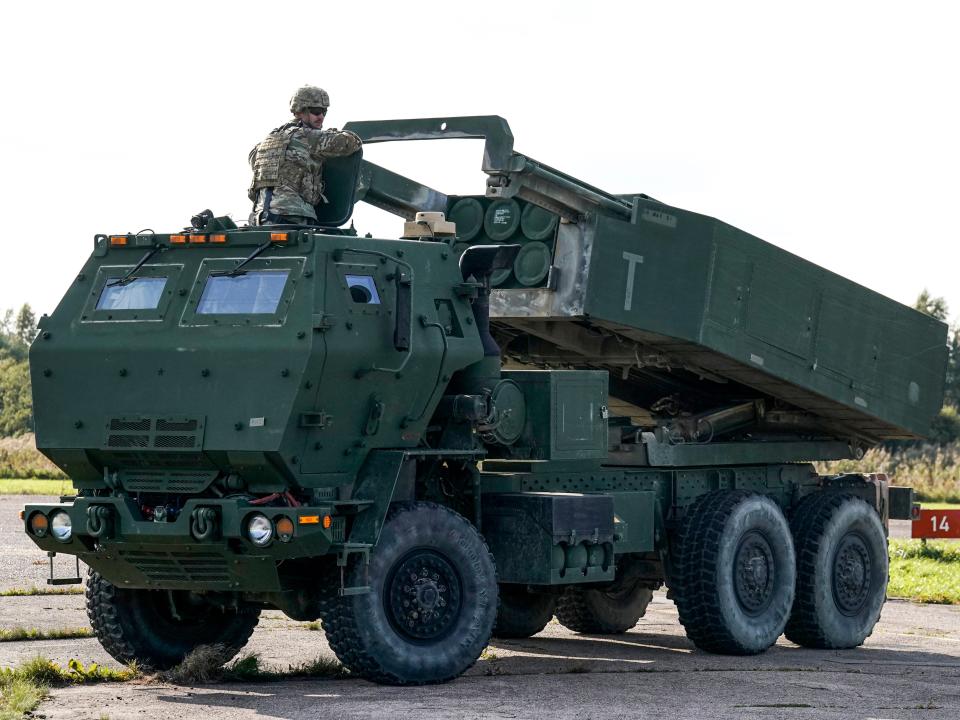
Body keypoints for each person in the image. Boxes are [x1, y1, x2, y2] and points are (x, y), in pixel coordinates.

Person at [248, 86, 362, 226]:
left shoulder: (266, 141)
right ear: (300, 111)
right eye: (316, 111)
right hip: (292, 217)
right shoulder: (308, 137)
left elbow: (252, 160)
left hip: (261, 219)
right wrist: (331, 133)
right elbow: (351, 142)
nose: (321, 117)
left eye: (324, 112)